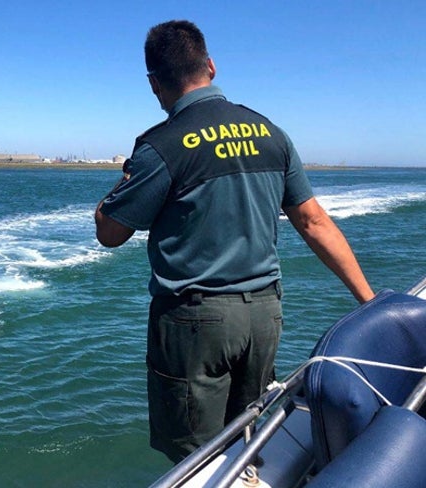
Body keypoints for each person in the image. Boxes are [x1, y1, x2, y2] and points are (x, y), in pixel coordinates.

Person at [94, 19, 375, 462]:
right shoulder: (270, 132)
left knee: (194, 453)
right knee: (248, 430)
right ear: (211, 66)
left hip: (196, 324)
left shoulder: (161, 146)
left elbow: (110, 233)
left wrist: (123, 181)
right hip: (264, 315)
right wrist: (369, 300)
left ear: (154, 84)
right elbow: (314, 221)